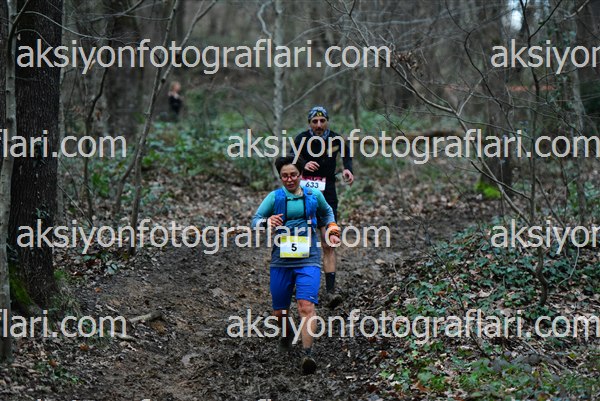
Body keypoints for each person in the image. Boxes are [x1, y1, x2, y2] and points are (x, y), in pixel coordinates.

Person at [252, 156, 341, 375]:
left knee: (306, 306)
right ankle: (287, 333)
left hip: (308, 258)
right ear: (280, 177)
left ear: (301, 174)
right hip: (281, 261)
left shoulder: (313, 195)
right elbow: (255, 220)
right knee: (279, 312)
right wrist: (267, 222)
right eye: (285, 176)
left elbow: (327, 212)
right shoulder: (274, 198)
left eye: (293, 174)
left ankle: (307, 354)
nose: (289, 179)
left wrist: (331, 228)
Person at [292, 106, 354, 308]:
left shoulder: (336, 139)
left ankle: (330, 292)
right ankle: (296, 287)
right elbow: (290, 160)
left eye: (322, 121)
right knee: (299, 240)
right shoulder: (301, 139)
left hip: (328, 195)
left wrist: (347, 170)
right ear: (309, 123)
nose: (318, 125)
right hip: (303, 194)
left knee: (329, 242)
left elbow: (347, 156)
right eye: (314, 122)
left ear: (327, 121)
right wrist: (303, 164)